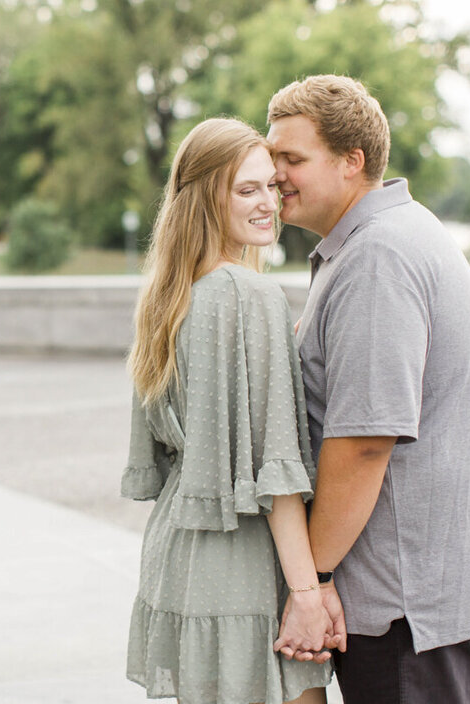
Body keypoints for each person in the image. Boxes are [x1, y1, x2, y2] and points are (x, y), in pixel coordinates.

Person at [265, 75, 470, 704]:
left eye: (292, 159)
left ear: (352, 162)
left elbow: (364, 442)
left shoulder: (378, 258)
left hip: (406, 604)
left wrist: (313, 579)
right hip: (419, 591)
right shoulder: (385, 238)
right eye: (272, 158)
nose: (276, 175)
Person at [122, 117, 344, 704]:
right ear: (204, 198)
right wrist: (306, 592)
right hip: (244, 567)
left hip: (180, 557)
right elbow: (276, 472)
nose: (269, 202)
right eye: (248, 189)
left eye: (272, 185)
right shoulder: (251, 296)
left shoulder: (166, 298)